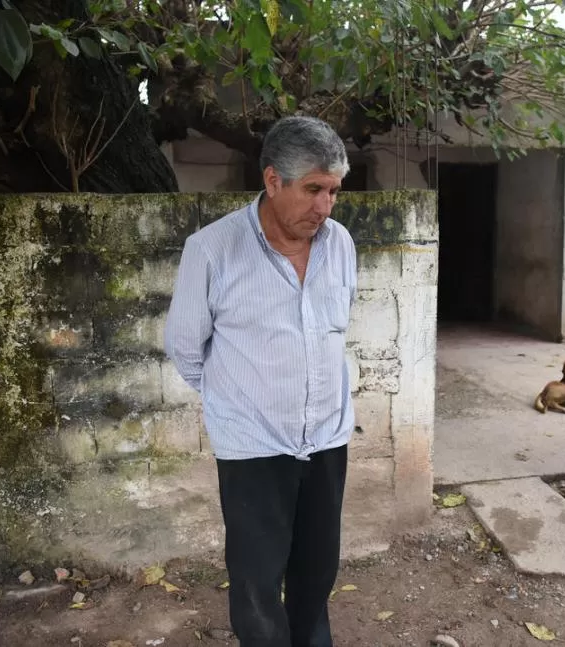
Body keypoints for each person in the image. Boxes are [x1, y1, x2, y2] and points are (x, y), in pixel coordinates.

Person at [164, 115, 357, 647]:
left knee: (317, 575)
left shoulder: (340, 244)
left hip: (326, 438)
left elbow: (335, 328)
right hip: (252, 448)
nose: (325, 206)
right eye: (313, 189)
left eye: (334, 192)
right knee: (256, 583)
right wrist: (239, 402)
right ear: (273, 181)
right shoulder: (211, 250)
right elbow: (185, 347)